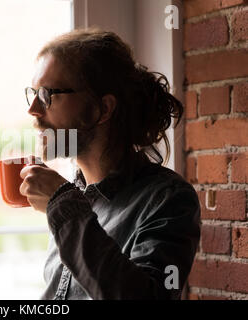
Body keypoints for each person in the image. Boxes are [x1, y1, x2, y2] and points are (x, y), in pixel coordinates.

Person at [19, 28, 201, 300]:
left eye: (47, 95)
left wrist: (63, 207)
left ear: (102, 109)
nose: (33, 109)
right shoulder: (73, 197)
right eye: (32, 94)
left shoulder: (168, 199)